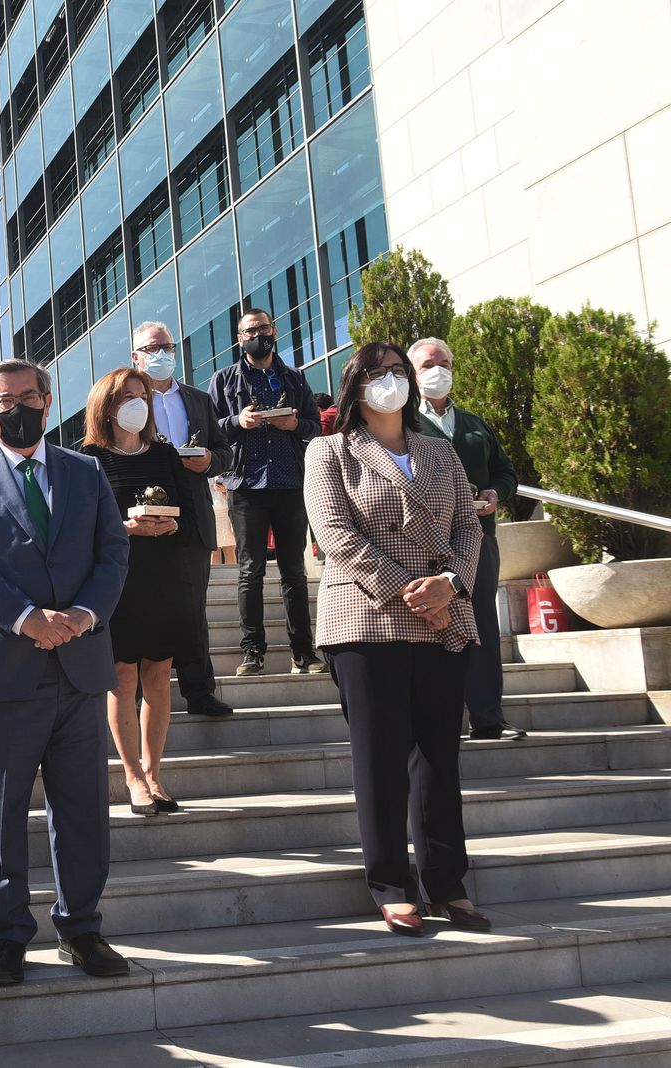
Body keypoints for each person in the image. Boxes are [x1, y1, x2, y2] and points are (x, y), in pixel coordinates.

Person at [0, 359, 130, 987]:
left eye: (28, 396)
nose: (16, 406)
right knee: (0, 812)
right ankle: (8, 935)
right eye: (3, 400)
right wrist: (26, 617)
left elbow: (113, 551)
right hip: (1, 669)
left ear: (48, 402)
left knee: (83, 812)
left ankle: (81, 928)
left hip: (78, 665)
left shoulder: (86, 470)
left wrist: (83, 613)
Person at [305, 341, 490, 937]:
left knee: (439, 754)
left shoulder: (439, 451)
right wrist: (413, 590)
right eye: (378, 374)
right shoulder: (329, 450)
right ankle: (391, 884)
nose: (392, 382)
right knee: (381, 755)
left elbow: (468, 523)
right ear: (356, 387)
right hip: (368, 616)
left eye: (399, 372)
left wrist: (450, 585)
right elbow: (336, 533)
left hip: (443, 613)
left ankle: (447, 881)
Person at [82, 368, 198, 815]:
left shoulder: (165, 453)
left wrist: (172, 523)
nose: (138, 403)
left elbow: (188, 510)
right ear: (106, 406)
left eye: (143, 395)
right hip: (118, 579)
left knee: (159, 678)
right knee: (123, 677)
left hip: (164, 574)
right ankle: (132, 777)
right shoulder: (89, 458)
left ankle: (154, 773)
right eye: (128, 396)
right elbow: (81, 526)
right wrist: (122, 527)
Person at [408, 337, 526, 742]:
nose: (436, 370)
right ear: (412, 374)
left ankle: (488, 718)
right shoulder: (405, 425)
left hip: (478, 539)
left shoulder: (475, 424)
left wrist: (497, 493)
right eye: (426, 365)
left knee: (482, 627)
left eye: (443, 362)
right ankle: (440, 720)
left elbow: (505, 472)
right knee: (430, 626)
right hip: (426, 544)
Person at [209, 307, 323, 677]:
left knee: (294, 571)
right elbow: (212, 430)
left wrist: (295, 424)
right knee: (250, 571)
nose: (258, 334)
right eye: (250, 330)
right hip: (246, 485)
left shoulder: (293, 377)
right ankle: (252, 652)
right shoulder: (225, 380)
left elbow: (314, 427)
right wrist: (237, 421)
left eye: (263, 327)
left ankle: (303, 653)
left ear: (273, 330)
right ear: (240, 339)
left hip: (290, 482)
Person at [131, 322, 233, 717]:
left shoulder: (197, 398)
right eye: (151, 348)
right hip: (143, 515)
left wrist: (211, 460)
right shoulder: (126, 398)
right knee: (141, 604)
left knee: (192, 609)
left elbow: (224, 450)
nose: (160, 353)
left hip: (192, 516)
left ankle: (199, 691)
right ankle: (138, 693)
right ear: (136, 355)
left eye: (166, 346)